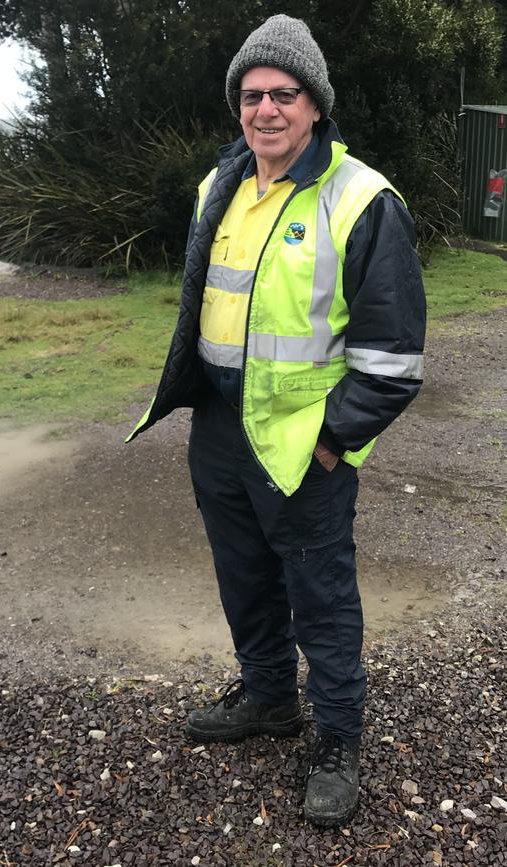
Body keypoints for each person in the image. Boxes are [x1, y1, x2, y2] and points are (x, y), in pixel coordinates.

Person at [127, 15, 425, 828]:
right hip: (221, 429)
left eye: (282, 94)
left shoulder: (362, 199)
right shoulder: (219, 185)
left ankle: (338, 739)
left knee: (320, 596)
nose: (265, 109)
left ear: (315, 104)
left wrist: (333, 440)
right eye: (251, 95)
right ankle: (267, 698)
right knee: (245, 579)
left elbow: (395, 357)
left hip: (304, 445)